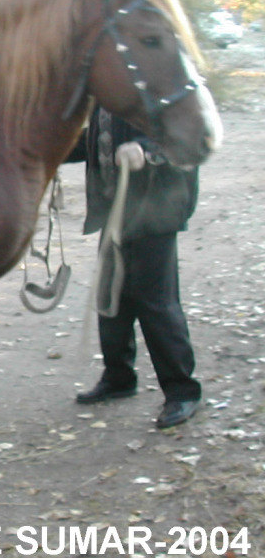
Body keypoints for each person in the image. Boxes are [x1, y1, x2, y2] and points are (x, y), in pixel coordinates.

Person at [67, 106, 202, 429]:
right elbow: (96, 141)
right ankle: (119, 378)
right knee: (111, 297)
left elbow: (188, 131)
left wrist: (147, 150)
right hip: (115, 211)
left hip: (156, 209)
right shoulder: (106, 94)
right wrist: (48, 148)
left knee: (155, 301)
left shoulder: (157, 79)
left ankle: (183, 391)